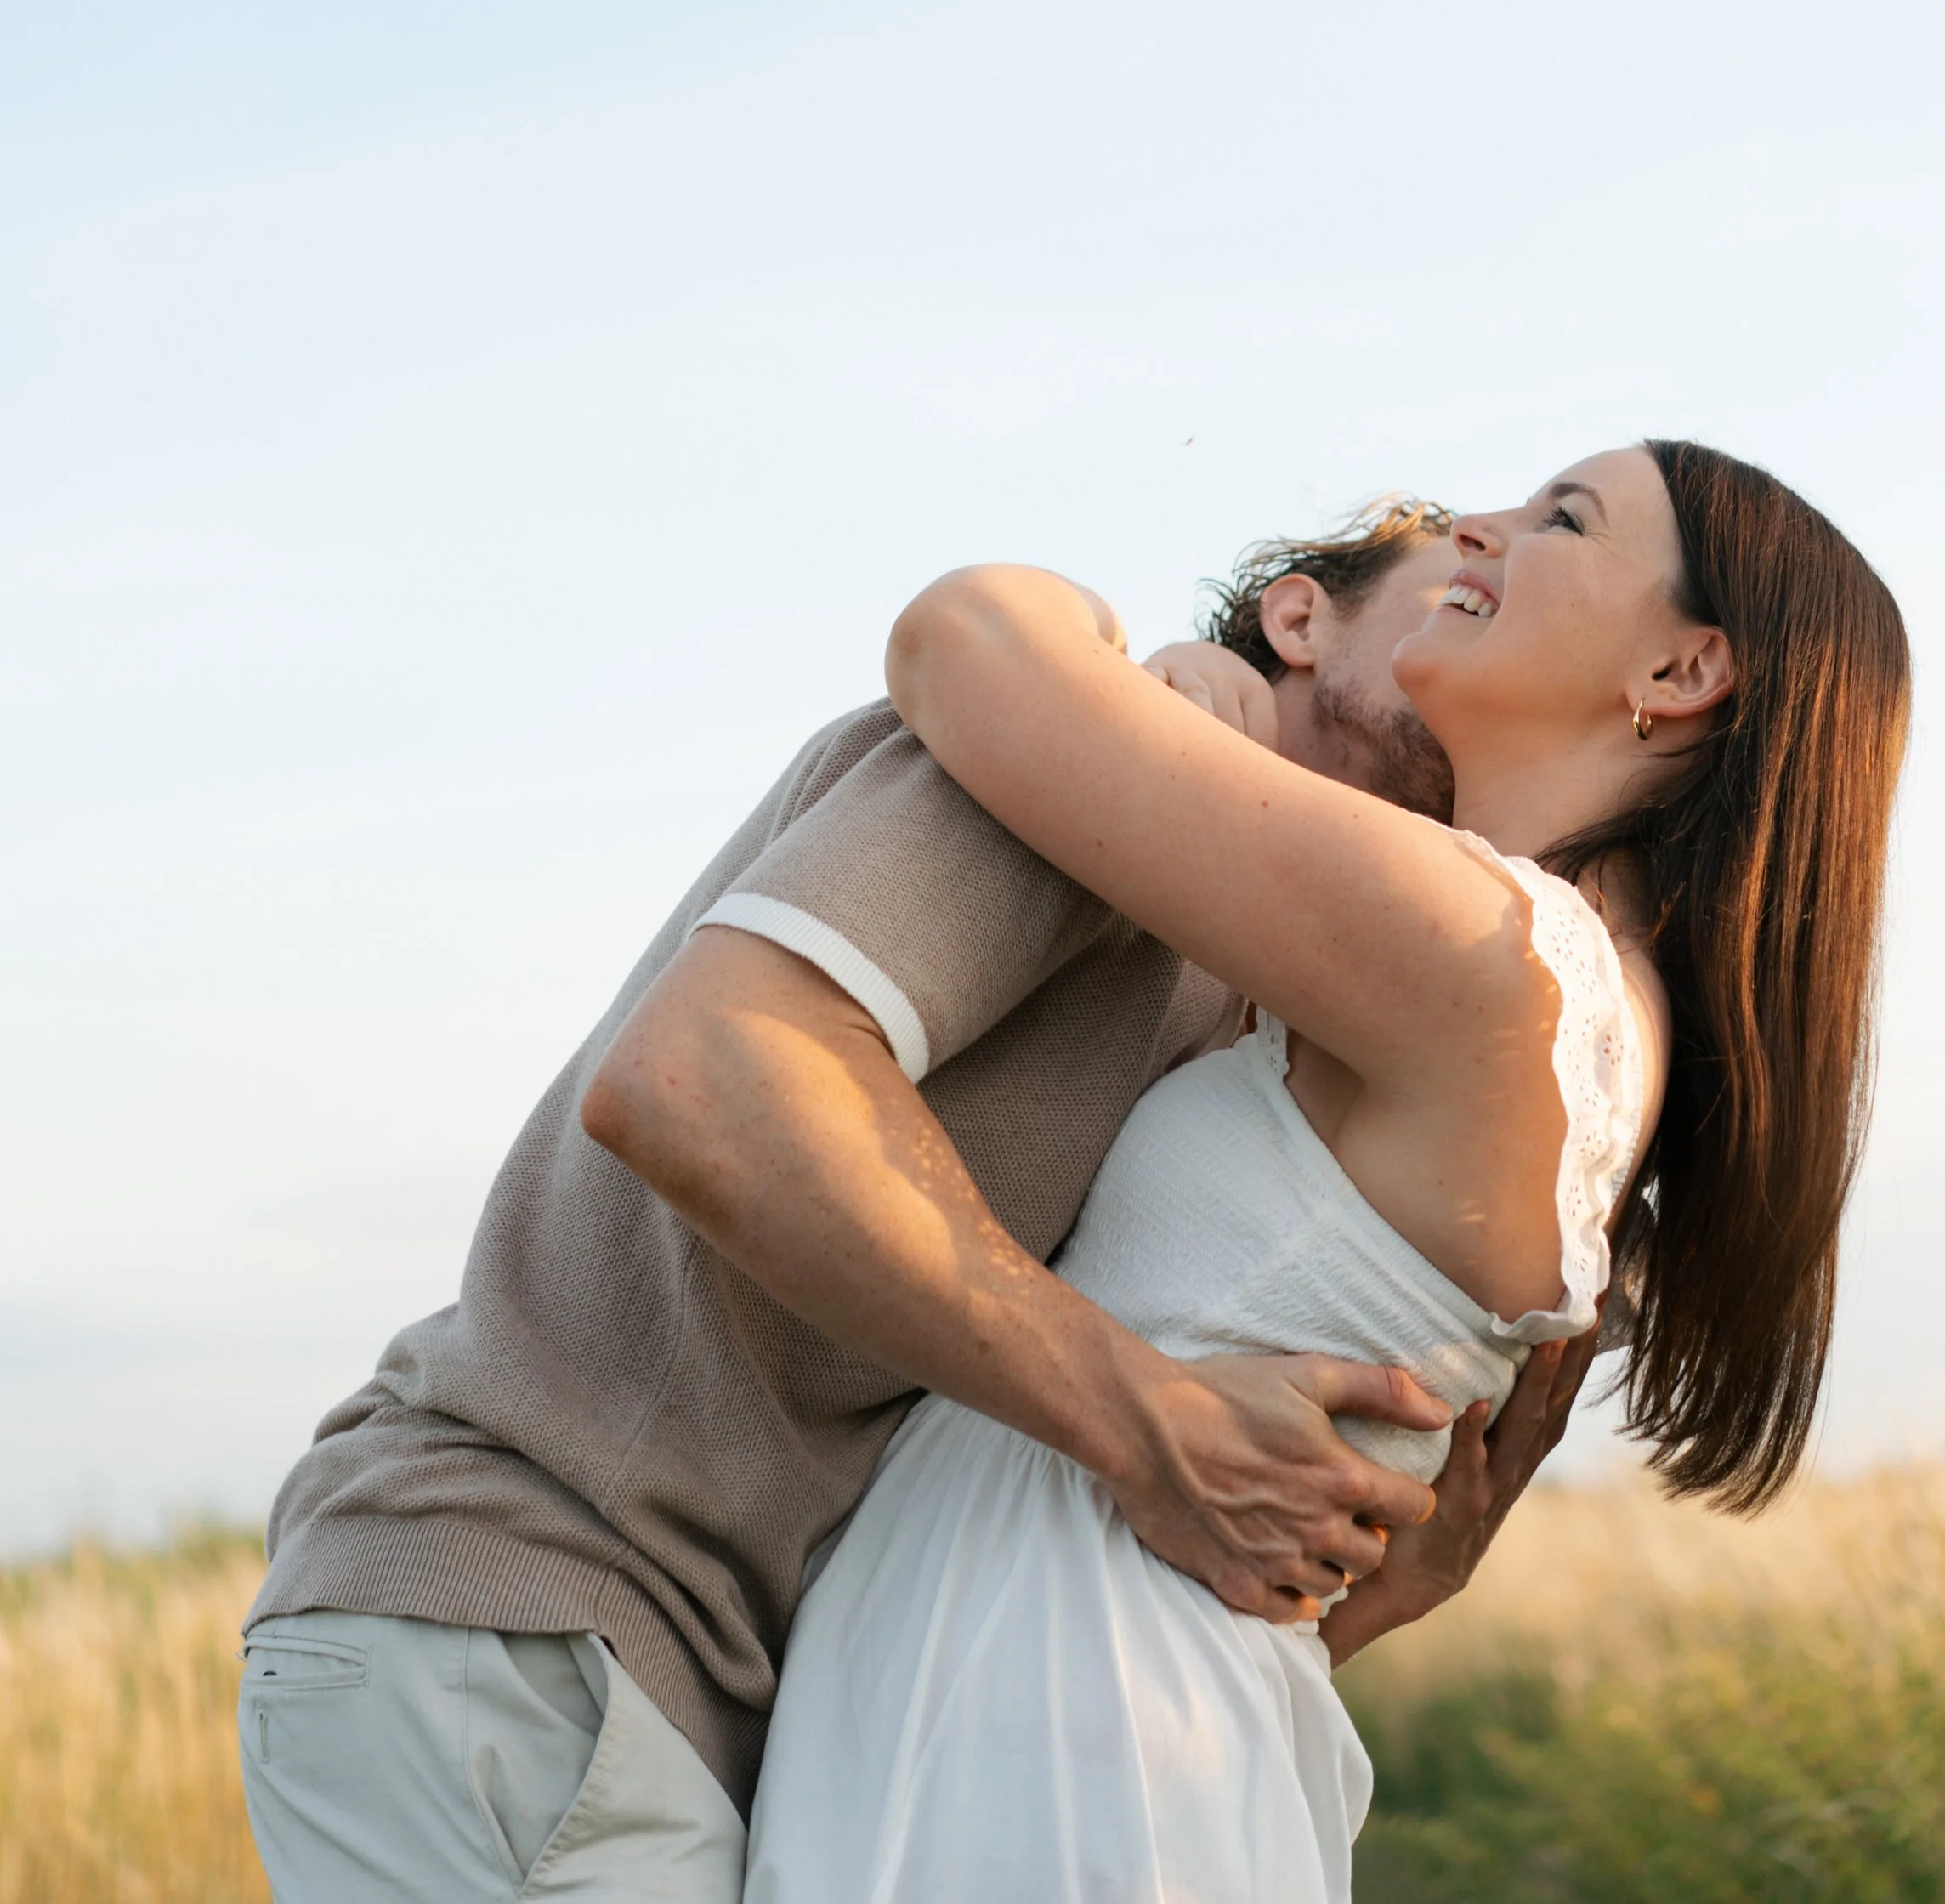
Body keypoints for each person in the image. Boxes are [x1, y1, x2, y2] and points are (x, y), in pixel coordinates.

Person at [239, 495, 1578, 1904]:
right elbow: (696, 1083)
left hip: (724, 1705)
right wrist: (1161, 1423)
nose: (1498, 577)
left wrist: (1352, 1594)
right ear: (1301, 619)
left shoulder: (1268, 1022)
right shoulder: (1084, 762)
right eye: (1456, 578)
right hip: (529, 1618)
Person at [740, 439, 1909, 1902]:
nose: (1478, 523)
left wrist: (1132, 651)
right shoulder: (1565, 992)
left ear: (1681, 672)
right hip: (1079, 1704)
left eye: (1562, 517)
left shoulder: (1495, 958)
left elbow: (961, 640)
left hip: (1051, 1719)